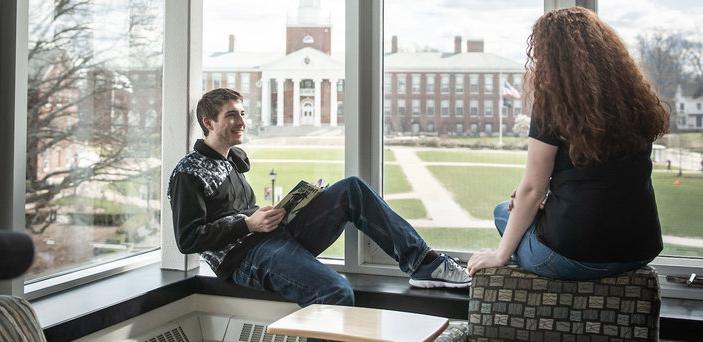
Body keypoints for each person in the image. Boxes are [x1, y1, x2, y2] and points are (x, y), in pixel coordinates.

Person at [168, 88, 470, 308]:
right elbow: (189, 239)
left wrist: (281, 211)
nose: (242, 121)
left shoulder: (232, 158)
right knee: (336, 292)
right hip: (245, 259)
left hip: (270, 236)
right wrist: (248, 224)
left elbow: (238, 212)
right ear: (208, 122)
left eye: (243, 113)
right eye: (231, 115)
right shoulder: (188, 171)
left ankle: (424, 263)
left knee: (351, 189)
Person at [467, 7, 669, 280]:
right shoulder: (632, 99)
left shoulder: (554, 103)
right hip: (640, 248)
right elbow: (604, 178)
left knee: (504, 211)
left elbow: (532, 189)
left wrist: (499, 255)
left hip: (576, 256)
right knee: (523, 207)